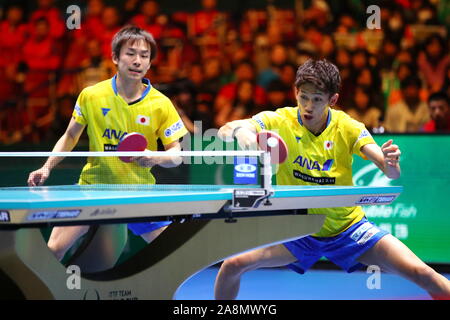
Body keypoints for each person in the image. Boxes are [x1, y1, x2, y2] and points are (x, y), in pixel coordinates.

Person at [215, 59, 450, 300]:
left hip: (348, 228)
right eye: (303, 97)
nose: (308, 106)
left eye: (317, 99)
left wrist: (390, 162)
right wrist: (244, 134)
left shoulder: (347, 126)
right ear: (295, 92)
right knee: (232, 265)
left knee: (421, 272)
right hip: (298, 232)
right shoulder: (280, 120)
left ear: (332, 100)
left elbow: (391, 172)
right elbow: (225, 129)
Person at [27, 26, 188, 261]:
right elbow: (70, 136)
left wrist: (154, 157)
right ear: (115, 57)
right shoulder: (91, 95)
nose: (137, 61)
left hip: (139, 193)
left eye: (144, 56)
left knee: (173, 255)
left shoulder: (161, 104)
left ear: (150, 63)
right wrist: (47, 166)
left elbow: (177, 155)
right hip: (92, 189)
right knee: (52, 252)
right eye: (130, 54)